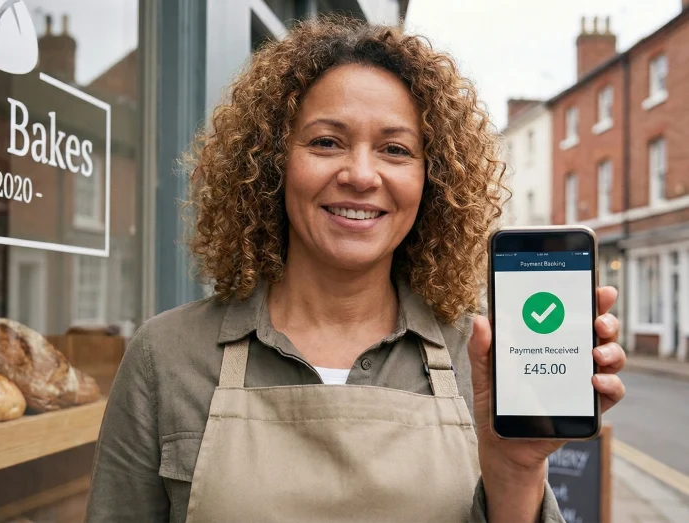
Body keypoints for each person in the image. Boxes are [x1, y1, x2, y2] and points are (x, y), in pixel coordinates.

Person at [85, 15, 625, 523]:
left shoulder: (481, 356)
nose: (361, 175)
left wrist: (516, 469)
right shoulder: (168, 355)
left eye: (395, 149)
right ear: (273, 162)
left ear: (430, 181)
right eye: (326, 142)